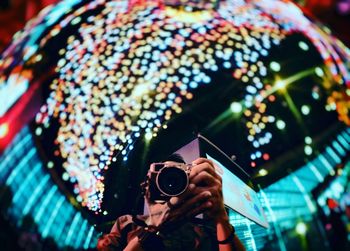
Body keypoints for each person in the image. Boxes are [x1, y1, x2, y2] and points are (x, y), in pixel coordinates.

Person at [98, 154, 246, 251]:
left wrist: (221, 218)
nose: (171, 183)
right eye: (163, 177)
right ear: (147, 186)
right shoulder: (127, 224)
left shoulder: (206, 228)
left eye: (179, 177)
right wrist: (151, 230)